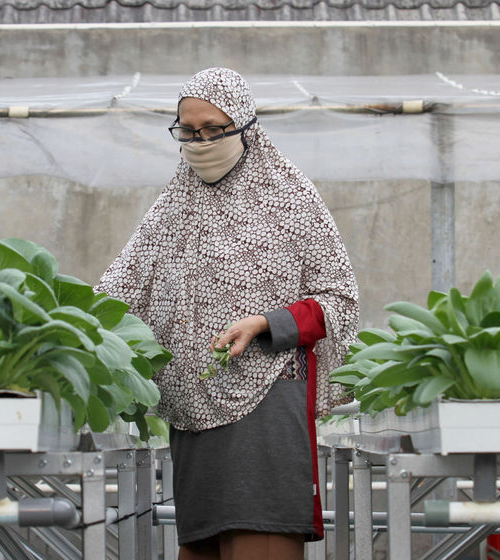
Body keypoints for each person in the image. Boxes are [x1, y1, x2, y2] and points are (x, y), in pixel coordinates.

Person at [97, 67, 359, 559]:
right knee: (201, 547)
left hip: (266, 406)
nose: (199, 143)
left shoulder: (290, 198)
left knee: (259, 540)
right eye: (188, 131)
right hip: (194, 415)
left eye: (214, 130)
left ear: (245, 125)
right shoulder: (173, 206)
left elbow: (338, 302)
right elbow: (120, 288)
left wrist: (266, 323)